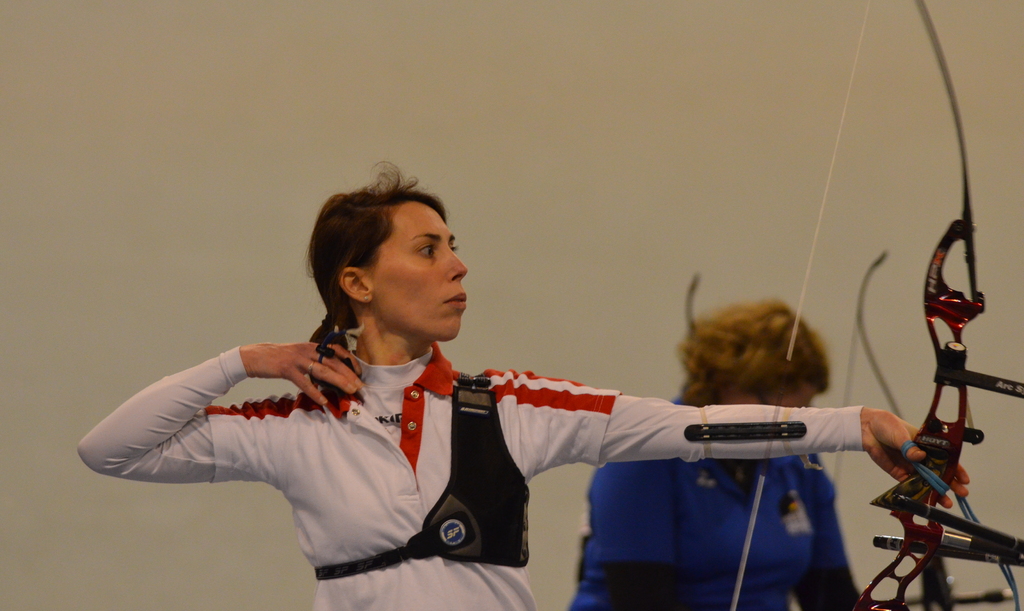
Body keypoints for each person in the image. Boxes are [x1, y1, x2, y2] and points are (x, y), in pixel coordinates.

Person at [78, 167, 965, 611]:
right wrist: (243, 360)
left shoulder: (508, 406)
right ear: (357, 282)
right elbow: (110, 450)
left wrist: (856, 425)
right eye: (428, 249)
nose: (458, 266)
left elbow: (687, 428)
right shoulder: (294, 422)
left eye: (454, 246)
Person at [570, 301, 860, 611]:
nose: (793, 428)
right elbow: (644, 602)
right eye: (781, 412)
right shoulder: (645, 452)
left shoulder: (797, 458)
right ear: (725, 383)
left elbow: (832, 595)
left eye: (804, 412)